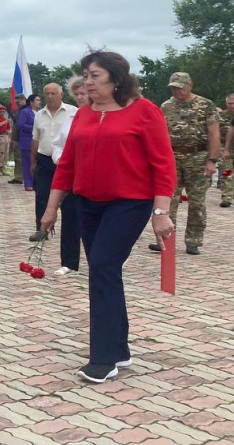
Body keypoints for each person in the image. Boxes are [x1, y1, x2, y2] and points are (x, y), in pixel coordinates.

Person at [41, 50, 176, 383]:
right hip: (87, 203)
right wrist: (51, 208)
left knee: (101, 265)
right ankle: (119, 348)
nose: (87, 82)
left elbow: (163, 165)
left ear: (117, 79)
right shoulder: (84, 115)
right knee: (105, 271)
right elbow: (67, 164)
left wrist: (161, 212)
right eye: (85, 75)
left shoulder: (145, 112)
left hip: (129, 203)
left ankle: (103, 358)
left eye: (95, 75)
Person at [150, 73, 220, 255]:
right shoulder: (166, 106)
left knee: (196, 201)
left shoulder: (205, 105)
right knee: (168, 200)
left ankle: (193, 240)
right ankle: (165, 239)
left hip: (198, 156)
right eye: (173, 87)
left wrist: (212, 160)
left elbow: (214, 134)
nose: (177, 91)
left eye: (180, 87)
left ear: (190, 85)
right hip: (172, 157)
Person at [47, 75, 89, 275]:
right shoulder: (72, 116)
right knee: (70, 216)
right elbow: (58, 143)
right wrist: (60, 159)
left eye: (84, 93)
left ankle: (100, 259)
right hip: (73, 176)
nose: (80, 97)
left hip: (95, 178)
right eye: (77, 94)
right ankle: (69, 262)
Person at [30, 83, 76, 239]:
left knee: (68, 198)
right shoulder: (39, 114)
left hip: (65, 161)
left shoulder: (72, 112)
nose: (50, 96)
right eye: (47, 94)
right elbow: (35, 139)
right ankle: (41, 229)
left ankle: (71, 231)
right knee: (42, 194)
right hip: (44, 158)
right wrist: (33, 161)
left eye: (53, 93)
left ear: (61, 94)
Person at [17, 94, 40, 191]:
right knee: (27, 163)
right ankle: (28, 183)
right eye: (37, 100)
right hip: (27, 141)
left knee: (37, 163)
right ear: (31, 102)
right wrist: (34, 129)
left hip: (37, 142)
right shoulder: (25, 112)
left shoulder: (39, 112)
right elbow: (21, 125)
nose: (39, 102)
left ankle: (36, 182)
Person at [217, 93, 234, 208]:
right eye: (230, 103)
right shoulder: (220, 116)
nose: (232, 106)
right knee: (227, 172)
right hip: (225, 147)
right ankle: (227, 197)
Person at [7, 94, 28, 184]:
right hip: (17, 138)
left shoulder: (26, 111)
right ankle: (18, 176)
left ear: (24, 100)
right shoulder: (19, 111)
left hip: (24, 139)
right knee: (18, 159)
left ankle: (21, 177)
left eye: (18, 102)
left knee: (22, 159)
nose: (17, 104)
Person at [0, 105, 11, 174]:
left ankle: (3, 168)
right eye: (1, 112)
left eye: (3, 112)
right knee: (0, 152)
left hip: (6, 136)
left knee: (6, 153)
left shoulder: (5, 119)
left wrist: (9, 131)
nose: (2, 113)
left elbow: (9, 128)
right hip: (0, 136)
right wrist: (6, 121)